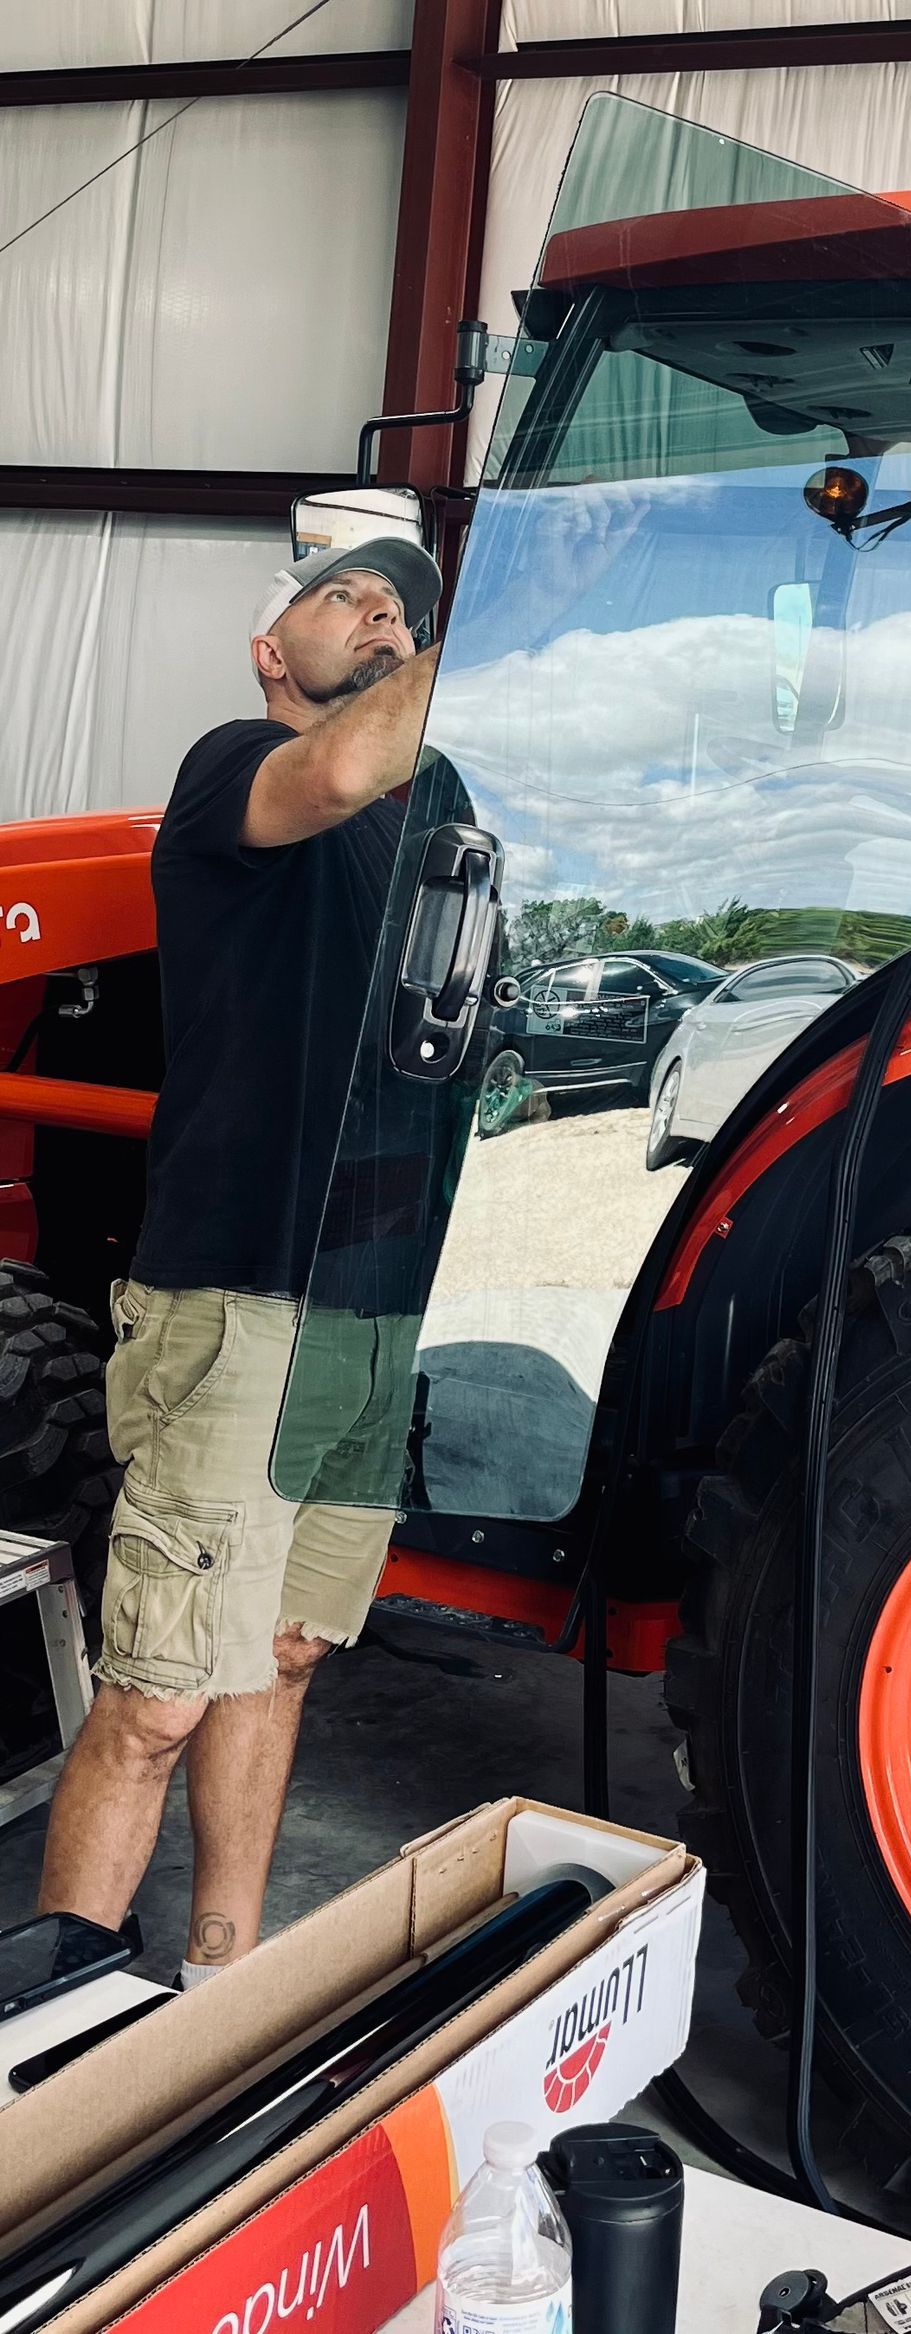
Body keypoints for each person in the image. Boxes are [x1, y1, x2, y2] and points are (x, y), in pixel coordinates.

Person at [37, 536, 445, 1985]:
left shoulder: (424, 818)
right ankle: (59, 2036)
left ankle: (224, 1979)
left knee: (277, 1654)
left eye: (405, 601)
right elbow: (336, 771)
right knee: (156, 1691)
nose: (386, 613)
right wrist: (507, 626)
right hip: (242, 1294)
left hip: (373, 1304)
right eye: (347, 595)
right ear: (273, 652)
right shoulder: (237, 768)